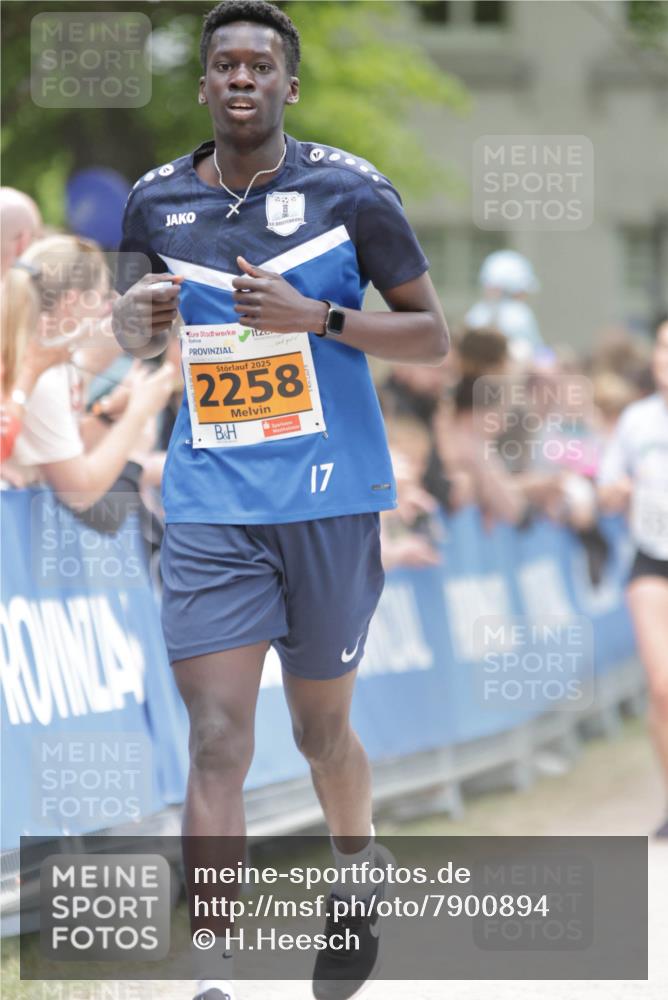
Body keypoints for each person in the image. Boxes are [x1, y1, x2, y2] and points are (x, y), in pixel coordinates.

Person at [112, 3, 449, 998]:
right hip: (212, 499)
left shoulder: (351, 192)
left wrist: (321, 317)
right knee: (217, 735)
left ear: (288, 86)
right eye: (225, 65)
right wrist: (128, 316)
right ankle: (212, 968)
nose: (243, 78)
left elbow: (431, 336)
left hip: (330, 497)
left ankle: (357, 870)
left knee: (317, 734)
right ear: (206, 86)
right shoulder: (152, 204)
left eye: (261, 64)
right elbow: (129, 336)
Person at [1, 235, 175, 513]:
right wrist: (138, 413)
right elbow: (79, 492)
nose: (108, 309)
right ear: (71, 301)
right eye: (104, 297)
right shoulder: (42, 374)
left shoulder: (52, 364)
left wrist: (107, 416)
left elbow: (64, 447)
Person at [598, 315, 668, 838]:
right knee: (663, 689)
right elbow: (606, 486)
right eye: (662, 347)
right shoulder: (637, 421)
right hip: (651, 561)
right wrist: (617, 491)